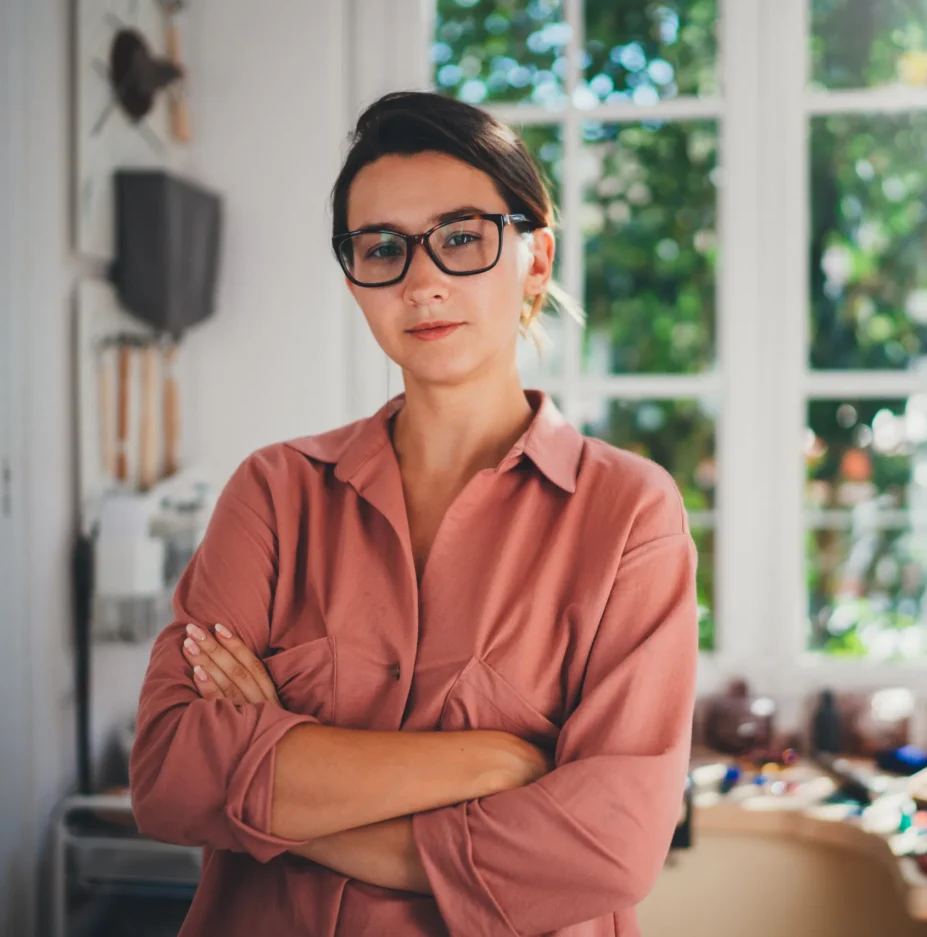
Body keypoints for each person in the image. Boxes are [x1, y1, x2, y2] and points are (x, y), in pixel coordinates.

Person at [130, 90, 698, 937]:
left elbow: (608, 846)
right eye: (383, 248)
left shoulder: (628, 515)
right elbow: (172, 774)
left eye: (461, 237)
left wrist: (280, 796)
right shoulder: (275, 493)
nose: (422, 279)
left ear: (534, 259)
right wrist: (495, 762)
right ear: (355, 276)